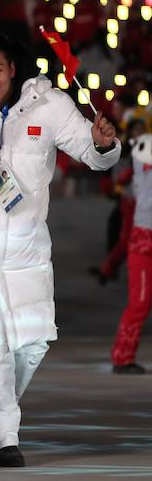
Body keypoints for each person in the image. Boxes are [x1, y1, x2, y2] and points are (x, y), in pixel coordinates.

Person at [0, 29, 120, 466]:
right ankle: (3, 439)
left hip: (26, 252)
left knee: (32, 344)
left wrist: (104, 144)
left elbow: (93, 151)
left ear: (13, 68)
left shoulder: (49, 105)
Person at [110, 133, 152, 373]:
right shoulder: (143, 144)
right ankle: (122, 357)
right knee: (140, 303)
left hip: (142, 233)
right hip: (144, 238)